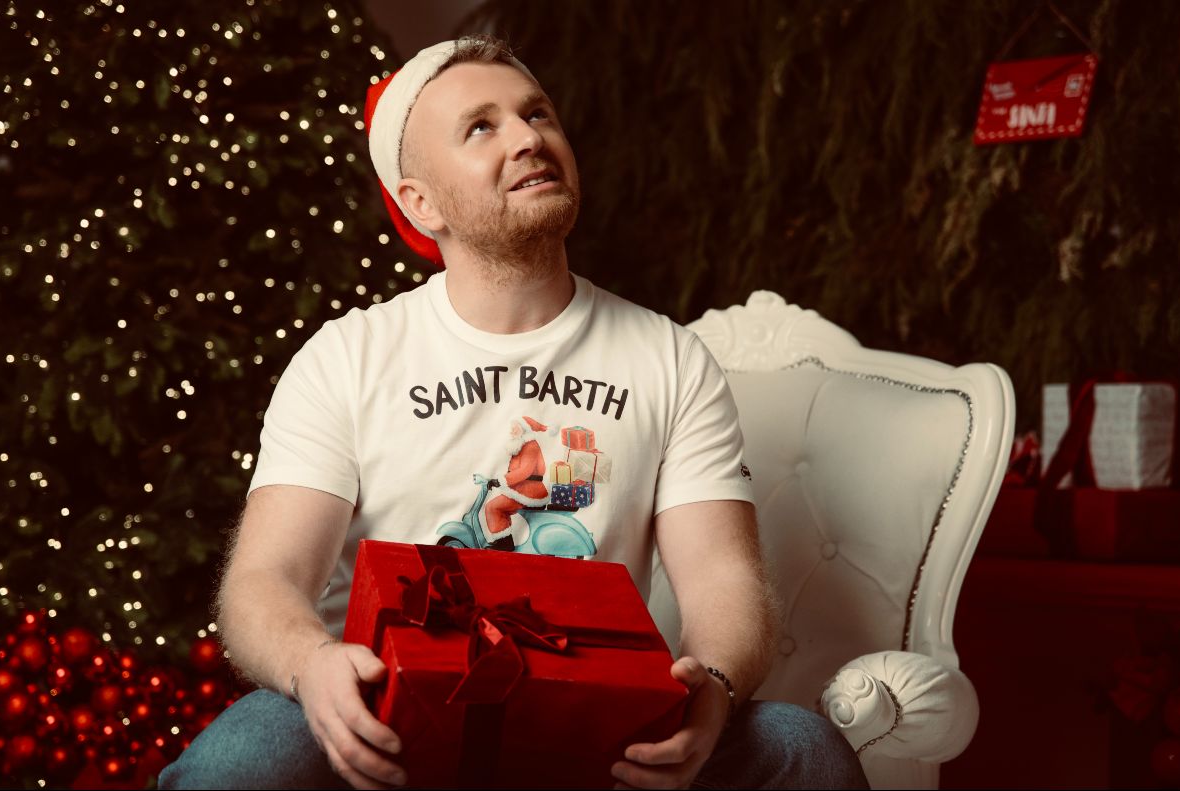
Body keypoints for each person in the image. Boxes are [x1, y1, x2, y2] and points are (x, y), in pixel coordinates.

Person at [159, 35, 868, 790]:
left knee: (801, 749)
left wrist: (713, 688)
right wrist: (314, 665)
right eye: (481, 127)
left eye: (537, 114)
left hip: (596, 724)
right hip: (381, 717)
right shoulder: (347, 357)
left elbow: (722, 574)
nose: (528, 137)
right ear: (420, 203)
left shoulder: (670, 357)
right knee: (236, 765)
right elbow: (264, 579)